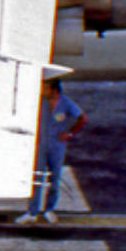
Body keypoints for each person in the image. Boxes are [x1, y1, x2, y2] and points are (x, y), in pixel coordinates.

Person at [15, 80, 86, 224]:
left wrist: (70, 133)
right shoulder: (40, 102)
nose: (43, 91)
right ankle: (32, 211)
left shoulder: (65, 103)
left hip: (56, 146)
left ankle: (48, 209)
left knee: (54, 178)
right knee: (36, 178)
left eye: (46, 88)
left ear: (54, 90)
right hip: (40, 145)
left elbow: (82, 118)